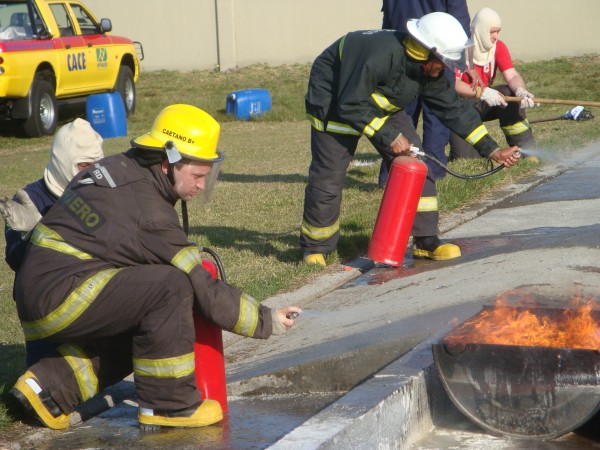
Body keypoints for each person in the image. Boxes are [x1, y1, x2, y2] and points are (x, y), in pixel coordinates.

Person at [10, 104, 301, 431]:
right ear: (168, 162)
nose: (202, 186)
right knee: (172, 286)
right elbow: (201, 284)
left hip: (47, 290)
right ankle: (170, 406)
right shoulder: (147, 211)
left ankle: (45, 391)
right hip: (61, 295)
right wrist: (267, 319)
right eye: (198, 176)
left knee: (151, 326)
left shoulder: (124, 169)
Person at [300, 12, 522, 267]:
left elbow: (454, 111)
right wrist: (388, 135)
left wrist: (492, 150)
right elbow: (350, 103)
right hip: (335, 99)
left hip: (379, 103)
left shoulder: (428, 71)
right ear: (423, 53)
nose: (446, 66)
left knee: (418, 164)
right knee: (329, 174)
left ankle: (426, 241)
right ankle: (316, 248)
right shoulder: (378, 57)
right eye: (443, 60)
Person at [1, 118, 104, 367]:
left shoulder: (100, 194)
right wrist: (27, 235)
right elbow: (15, 260)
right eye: (84, 166)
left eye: (96, 166)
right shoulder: (29, 199)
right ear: (64, 161)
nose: (90, 173)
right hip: (44, 304)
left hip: (88, 300)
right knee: (44, 377)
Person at [378, 0, 478, 184]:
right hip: (438, 56)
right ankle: (433, 176)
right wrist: (466, 64)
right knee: (438, 117)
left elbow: (387, 24)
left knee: (398, 118)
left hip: (403, 59)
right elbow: (460, 21)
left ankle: (390, 177)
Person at [450, 7, 537, 160]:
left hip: (485, 102)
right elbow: (454, 84)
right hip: (460, 107)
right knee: (465, 158)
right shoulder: (461, 49)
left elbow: (511, 75)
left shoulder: (498, 48)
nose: (495, 36)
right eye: (491, 32)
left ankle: (525, 150)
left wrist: (521, 91)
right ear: (480, 30)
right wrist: (482, 92)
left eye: (498, 31)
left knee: (510, 94)